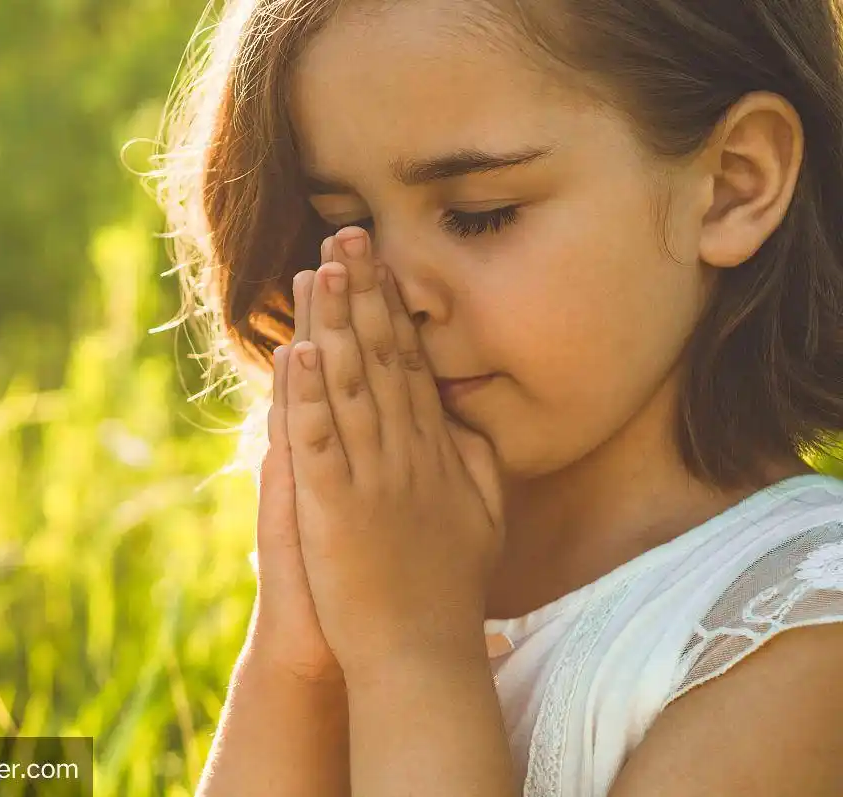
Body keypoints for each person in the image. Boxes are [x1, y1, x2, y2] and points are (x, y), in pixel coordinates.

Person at [147, 0, 843, 794]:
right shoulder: (396, 547)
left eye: (480, 217)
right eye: (344, 224)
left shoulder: (800, 639)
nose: (396, 289)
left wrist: (415, 650)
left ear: (732, 185)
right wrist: (297, 657)